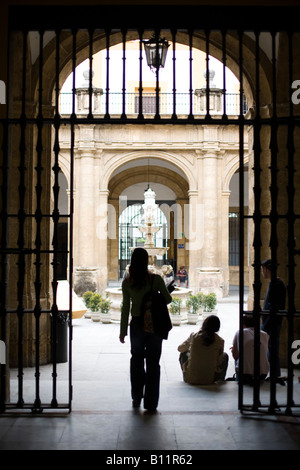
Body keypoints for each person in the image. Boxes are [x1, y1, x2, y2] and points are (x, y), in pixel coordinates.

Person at [119, 247, 174, 413]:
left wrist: (123, 331)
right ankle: (151, 403)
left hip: (136, 325)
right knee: (153, 363)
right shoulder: (155, 279)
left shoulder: (127, 282)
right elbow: (168, 299)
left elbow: (125, 307)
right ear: (147, 261)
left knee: (136, 360)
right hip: (154, 325)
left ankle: (136, 396)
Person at [177, 315, 228, 385]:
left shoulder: (194, 336)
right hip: (210, 379)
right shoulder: (220, 341)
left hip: (191, 379)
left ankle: (186, 376)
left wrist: (191, 350)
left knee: (183, 354)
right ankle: (221, 380)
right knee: (225, 356)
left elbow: (180, 349)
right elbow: (219, 362)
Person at [261, 258, 286, 383]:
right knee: (271, 348)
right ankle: (274, 375)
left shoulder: (277, 284)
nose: (262, 272)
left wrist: (265, 324)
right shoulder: (274, 283)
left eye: (262, 269)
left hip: (272, 323)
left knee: (272, 348)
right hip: (269, 322)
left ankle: (275, 376)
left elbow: (274, 307)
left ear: (267, 269)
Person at [231, 315, 269, 385]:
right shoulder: (265, 334)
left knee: (237, 357)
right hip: (262, 374)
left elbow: (235, 355)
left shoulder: (240, 332)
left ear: (244, 324)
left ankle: (238, 380)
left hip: (245, 374)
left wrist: (235, 349)